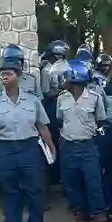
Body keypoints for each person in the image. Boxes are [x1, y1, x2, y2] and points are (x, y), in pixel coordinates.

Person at [0, 53, 56, 222]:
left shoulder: (32, 100)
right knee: (9, 188)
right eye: (2, 74)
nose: (5, 77)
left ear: (18, 76)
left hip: (29, 147)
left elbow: (42, 126)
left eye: (9, 74)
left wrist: (51, 147)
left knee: (35, 188)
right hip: (4, 148)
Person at [57, 59, 109, 222]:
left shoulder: (94, 98)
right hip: (68, 146)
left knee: (94, 183)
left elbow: (101, 120)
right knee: (72, 184)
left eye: (66, 76)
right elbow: (59, 120)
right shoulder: (61, 98)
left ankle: (100, 219)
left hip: (88, 147)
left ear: (74, 77)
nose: (63, 79)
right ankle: (80, 216)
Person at [89, 59, 112, 220]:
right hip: (95, 137)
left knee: (108, 173)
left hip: (107, 137)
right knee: (99, 174)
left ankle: (110, 204)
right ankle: (102, 206)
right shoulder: (90, 99)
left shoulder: (111, 100)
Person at [40, 40, 70, 186]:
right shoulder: (46, 69)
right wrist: (61, 91)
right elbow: (46, 93)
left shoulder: (64, 67)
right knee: (53, 139)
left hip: (63, 102)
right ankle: (53, 175)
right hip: (51, 106)